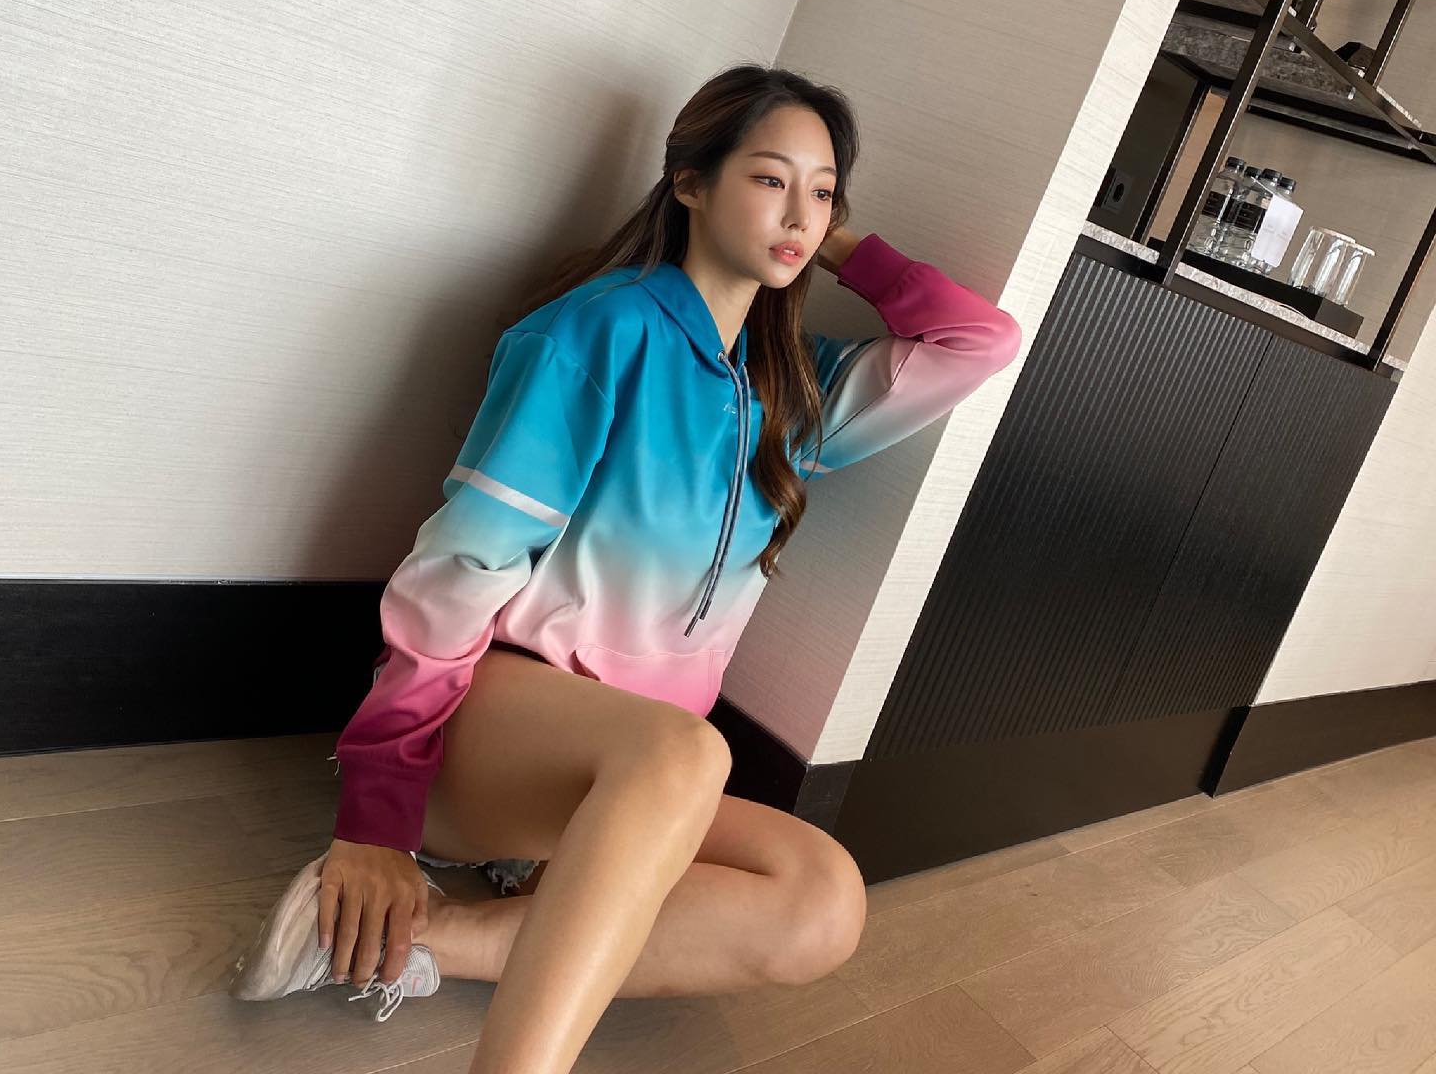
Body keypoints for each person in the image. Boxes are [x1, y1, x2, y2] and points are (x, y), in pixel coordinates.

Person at [229, 63, 1023, 1069]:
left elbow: (979, 340)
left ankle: (414, 940)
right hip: (494, 729)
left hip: (634, 784)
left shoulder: (789, 391)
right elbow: (460, 568)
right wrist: (374, 819)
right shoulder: (597, 330)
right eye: (769, 179)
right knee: (692, 754)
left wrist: (837, 243)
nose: (799, 214)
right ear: (690, 182)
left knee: (823, 901)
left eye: (823, 192)